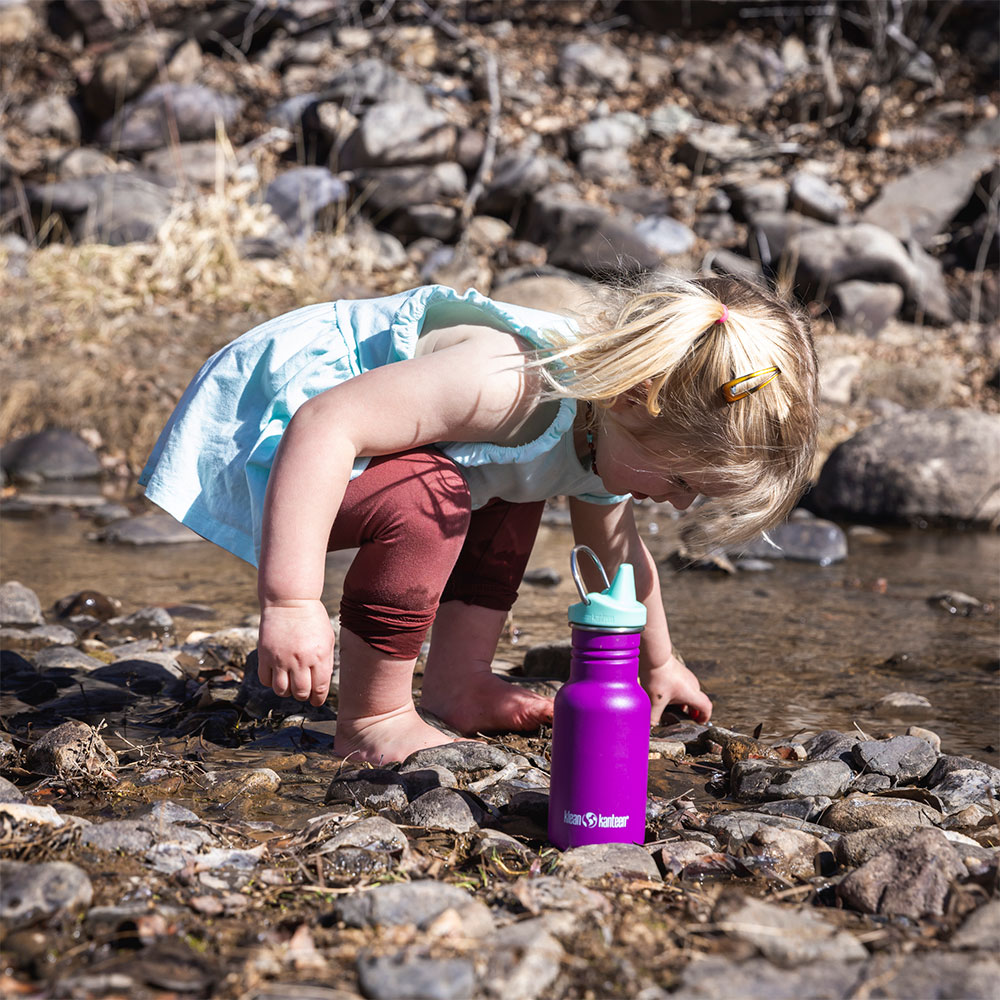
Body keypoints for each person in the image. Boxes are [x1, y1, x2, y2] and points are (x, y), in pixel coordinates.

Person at [140, 274, 818, 764]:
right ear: (631, 399)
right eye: (679, 481)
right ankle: (374, 718)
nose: (680, 502)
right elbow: (325, 424)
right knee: (431, 496)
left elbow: (616, 560)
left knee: (512, 486)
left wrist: (661, 665)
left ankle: (458, 685)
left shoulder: (604, 429)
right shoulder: (509, 380)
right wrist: (291, 603)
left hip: (335, 449)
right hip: (262, 439)